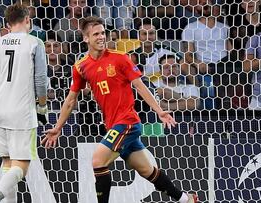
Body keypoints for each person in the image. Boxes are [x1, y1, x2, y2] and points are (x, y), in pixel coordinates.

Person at [42, 16, 197, 203]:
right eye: (96, 34)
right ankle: (185, 199)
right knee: (146, 170)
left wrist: (159, 111)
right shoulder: (81, 67)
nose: (101, 37)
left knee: (98, 161)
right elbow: (70, 100)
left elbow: (140, 86)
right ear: (86, 38)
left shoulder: (120, 58)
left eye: (103, 33)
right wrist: (58, 128)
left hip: (127, 122)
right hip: (112, 125)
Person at [0, 2, 48, 203]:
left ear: (7, 24)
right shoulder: (35, 43)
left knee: (8, 163)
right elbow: (41, 81)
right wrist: (42, 107)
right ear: (27, 20)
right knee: (21, 167)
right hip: (22, 113)